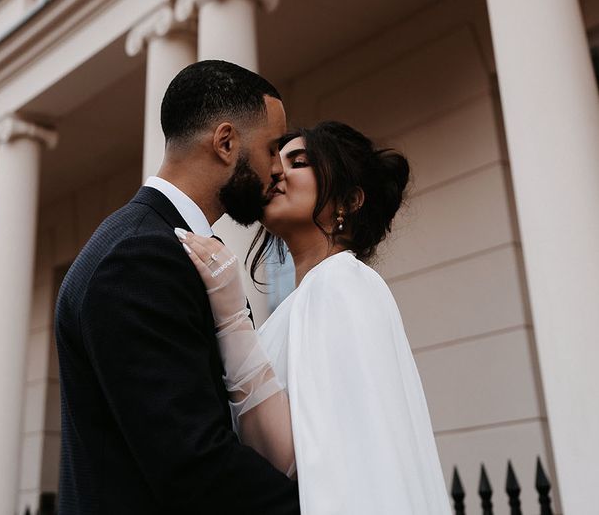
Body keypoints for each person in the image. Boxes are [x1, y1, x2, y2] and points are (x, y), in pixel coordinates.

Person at [55, 59, 301, 515]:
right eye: (272, 149)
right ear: (226, 143)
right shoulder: (137, 259)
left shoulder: (150, 244)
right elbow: (193, 464)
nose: (276, 170)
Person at [178, 120, 453, 514]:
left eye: (299, 162)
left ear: (350, 200)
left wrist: (232, 318)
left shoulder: (342, 283)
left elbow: (300, 460)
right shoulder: (304, 300)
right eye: (277, 159)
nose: (277, 172)